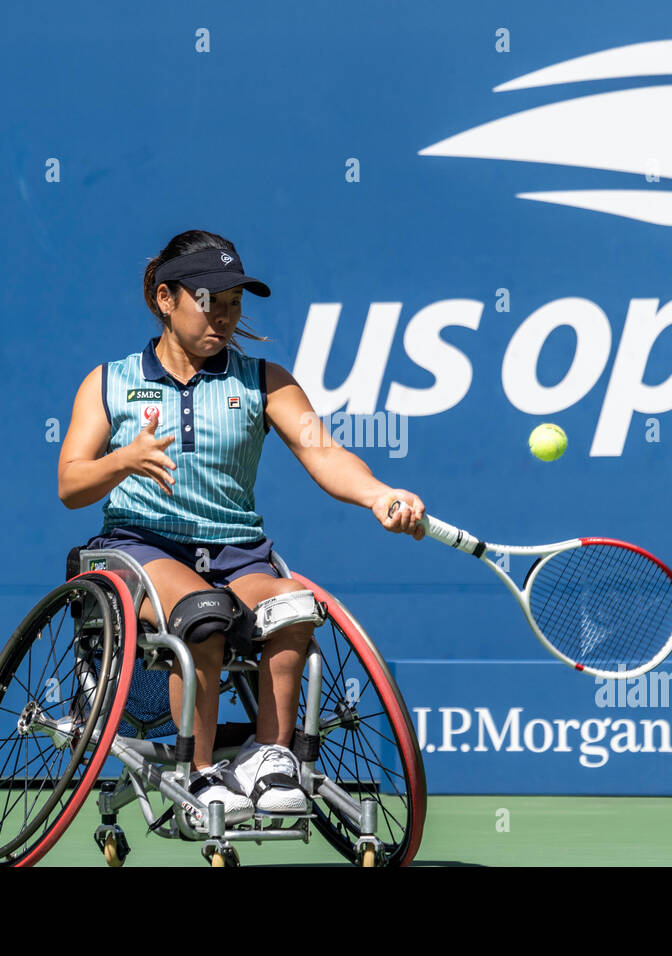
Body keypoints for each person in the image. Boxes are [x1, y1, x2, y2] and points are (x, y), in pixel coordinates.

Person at [57, 229, 425, 825]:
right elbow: (71, 484)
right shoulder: (110, 382)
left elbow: (323, 452)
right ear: (165, 299)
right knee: (203, 614)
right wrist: (121, 460)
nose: (223, 317)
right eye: (208, 302)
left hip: (236, 553)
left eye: (233, 303)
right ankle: (199, 774)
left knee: (296, 606)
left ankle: (268, 756)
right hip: (139, 549)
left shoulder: (262, 379)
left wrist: (380, 495)